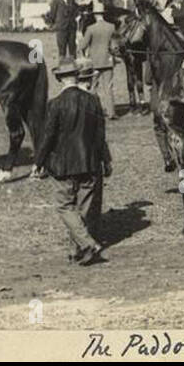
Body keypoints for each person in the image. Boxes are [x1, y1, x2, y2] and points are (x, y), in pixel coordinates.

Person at [35, 63, 112, 266]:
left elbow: (48, 136)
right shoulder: (93, 101)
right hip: (90, 162)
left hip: (62, 165)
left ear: (59, 79)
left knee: (64, 206)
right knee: (85, 208)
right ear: (77, 77)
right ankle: (75, 249)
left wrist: (39, 162)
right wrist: (106, 159)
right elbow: (100, 135)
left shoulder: (55, 104)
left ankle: (87, 244)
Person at [77, 3, 118, 120]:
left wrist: (79, 41)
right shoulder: (111, 27)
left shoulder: (91, 28)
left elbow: (83, 46)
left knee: (93, 87)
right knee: (108, 87)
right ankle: (111, 112)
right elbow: (115, 45)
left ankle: (93, 111)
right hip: (108, 60)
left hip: (94, 62)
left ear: (95, 15)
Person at [44, 0, 78, 65]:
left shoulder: (71, 0)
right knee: (62, 48)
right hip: (61, 28)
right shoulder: (56, 2)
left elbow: (76, 10)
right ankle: (62, 65)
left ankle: (73, 64)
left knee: (72, 47)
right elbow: (53, 14)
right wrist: (50, 23)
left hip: (71, 27)